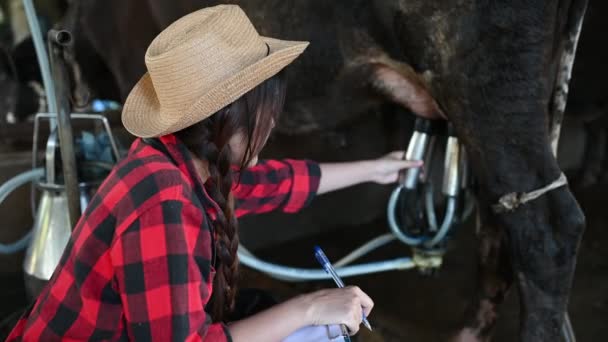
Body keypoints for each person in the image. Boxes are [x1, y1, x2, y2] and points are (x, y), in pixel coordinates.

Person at [7, 5, 422, 341]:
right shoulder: (163, 199)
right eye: (266, 110)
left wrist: (375, 169)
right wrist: (308, 307)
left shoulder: (178, 157)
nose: (273, 124)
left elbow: (272, 185)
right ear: (227, 117)